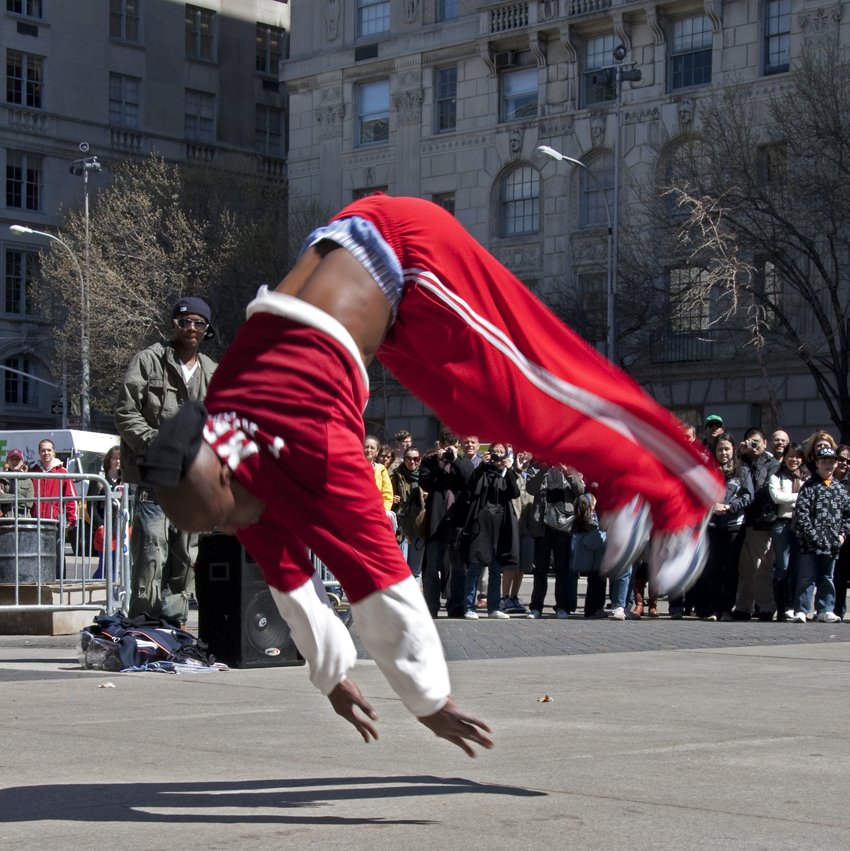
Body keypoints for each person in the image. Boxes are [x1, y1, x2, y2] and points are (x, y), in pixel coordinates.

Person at [138, 194, 721, 754]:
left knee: (537, 389)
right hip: (378, 300)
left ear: (228, 474)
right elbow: (286, 575)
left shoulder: (310, 440)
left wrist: (428, 699)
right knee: (481, 415)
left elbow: (381, 580)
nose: (239, 526)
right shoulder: (226, 453)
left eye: (227, 515)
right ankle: (626, 482)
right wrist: (329, 674)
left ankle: (684, 492)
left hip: (407, 253)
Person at [115, 296, 217, 627]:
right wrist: (157, 445)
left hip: (192, 481)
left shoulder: (213, 372)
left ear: (206, 330)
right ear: (174, 325)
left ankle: (175, 627)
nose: (191, 328)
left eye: (199, 323)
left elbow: (221, 422)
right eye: (184, 321)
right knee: (152, 550)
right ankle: (143, 625)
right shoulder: (148, 361)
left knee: (186, 556)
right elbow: (125, 412)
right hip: (155, 476)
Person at [692, 433, 753, 621]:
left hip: (734, 526)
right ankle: (712, 609)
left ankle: (727, 609)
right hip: (712, 525)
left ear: (733, 449)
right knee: (713, 568)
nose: (724, 453)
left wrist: (730, 507)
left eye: (727, 448)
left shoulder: (742, 470)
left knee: (731, 568)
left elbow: (748, 495)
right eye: (720, 449)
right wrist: (712, 507)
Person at [455, 442, 520, 619]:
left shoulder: (506, 475)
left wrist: (510, 470)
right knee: (475, 566)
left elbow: (515, 493)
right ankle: (469, 606)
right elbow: (469, 489)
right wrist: (482, 466)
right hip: (481, 524)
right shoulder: (482, 472)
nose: (498, 455)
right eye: (495, 452)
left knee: (495, 567)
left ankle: (494, 608)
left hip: (500, 526)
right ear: (489, 454)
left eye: (501, 452)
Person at [792, 445, 850, 624]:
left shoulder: (840, 489)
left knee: (827, 577)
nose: (828, 465)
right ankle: (801, 610)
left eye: (832, 462)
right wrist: (811, 535)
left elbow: (847, 516)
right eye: (824, 461)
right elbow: (801, 514)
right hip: (809, 543)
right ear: (817, 464)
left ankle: (825, 609)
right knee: (806, 577)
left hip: (832, 543)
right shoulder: (809, 487)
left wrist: (841, 536)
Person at [735, 428, 780, 620]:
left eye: (757, 442)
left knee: (763, 567)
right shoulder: (742, 462)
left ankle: (765, 607)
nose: (753, 446)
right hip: (743, 522)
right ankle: (744, 607)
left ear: (765, 443)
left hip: (763, 521)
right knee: (745, 568)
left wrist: (752, 462)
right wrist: (741, 455)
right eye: (750, 442)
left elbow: (762, 489)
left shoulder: (773, 464)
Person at [768, 442, 808, 621]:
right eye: (790, 455)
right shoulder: (777, 476)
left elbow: (809, 501)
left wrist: (792, 499)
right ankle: (781, 607)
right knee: (782, 567)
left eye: (798, 456)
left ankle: (793, 606)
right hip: (782, 525)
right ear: (784, 457)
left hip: (801, 525)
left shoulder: (807, 477)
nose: (794, 460)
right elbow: (777, 498)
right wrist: (799, 497)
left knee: (798, 567)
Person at [30, 439, 77, 579]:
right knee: (35, 553)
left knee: (57, 554)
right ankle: (38, 581)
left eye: (49, 450)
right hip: (35, 521)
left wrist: (71, 519)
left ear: (54, 452)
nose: (46, 453)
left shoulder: (62, 472)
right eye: (43, 450)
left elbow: (70, 496)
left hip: (55, 521)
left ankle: (58, 582)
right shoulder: (33, 471)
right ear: (39, 452)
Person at [90, 445, 123, 582]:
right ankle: (98, 586)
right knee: (106, 563)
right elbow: (91, 505)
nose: (117, 462)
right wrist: (100, 525)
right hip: (105, 526)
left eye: (120, 459)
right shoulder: (98, 480)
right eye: (114, 458)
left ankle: (114, 591)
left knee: (120, 563)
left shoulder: (127, 480)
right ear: (109, 460)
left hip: (122, 526)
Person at [0, 448, 34, 517]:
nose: (15, 461)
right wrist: (22, 500)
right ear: (7, 461)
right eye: (12, 459)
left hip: (24, 519)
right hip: (6, 519)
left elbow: (29, 503)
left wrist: (5, 496)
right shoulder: (1, 478)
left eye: (17, 459)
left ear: (22, 462)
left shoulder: (28, 479)